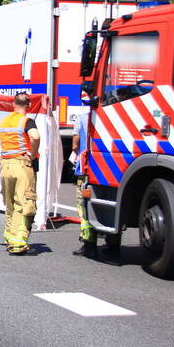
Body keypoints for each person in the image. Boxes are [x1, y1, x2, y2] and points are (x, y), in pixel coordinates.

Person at [0, 92, 41, 255]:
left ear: (13, 104)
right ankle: (18, 242)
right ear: (28, 105)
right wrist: (32, 153)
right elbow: (35, 136)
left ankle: (9, 236)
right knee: (24, 203)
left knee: (9, 203)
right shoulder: (27, 121)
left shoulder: (3, 122)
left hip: (5, 166)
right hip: (22, 165)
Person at [70, 106, 97, 257]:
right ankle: (114, 245)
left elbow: (75, 144)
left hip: (86, 168)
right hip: (106, 168)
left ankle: (89, 244)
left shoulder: (81, 119)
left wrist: (75, 152)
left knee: (84, 206)